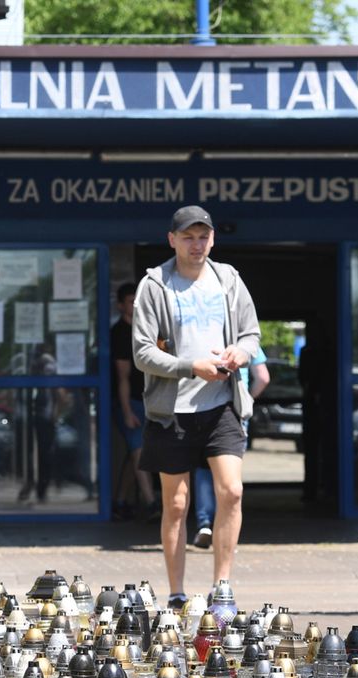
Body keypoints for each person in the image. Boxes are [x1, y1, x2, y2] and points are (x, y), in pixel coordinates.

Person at [133, 205, 261, 610]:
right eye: (188, 237)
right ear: (172, 240)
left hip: (222, 404)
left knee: (233, 492)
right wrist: (191, 367)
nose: (196, 244)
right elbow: (142, 353)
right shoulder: (155, 285)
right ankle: (175, 593)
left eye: (203, 236)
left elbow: (251, 333)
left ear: (213, 239)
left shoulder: (229, 280)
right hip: (172, 410)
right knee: (176, 504)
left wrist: (239, 354)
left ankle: (222, 590)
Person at [191, 347, 269, 549]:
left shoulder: (207, 340)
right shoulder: (248, 344)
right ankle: (225, 530)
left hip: (200, 408)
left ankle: (205, 524)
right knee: (230, 478)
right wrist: (247, 400)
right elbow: (263, 377)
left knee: (203, 468)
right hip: (235, 413)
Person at [109, 282, 159, 521]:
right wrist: (127, 410)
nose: (135, 305)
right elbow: (122, 377)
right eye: (130, 301)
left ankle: (119, 501)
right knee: (139, 451)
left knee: (135, 453)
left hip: (149, 400)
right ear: (120, 306)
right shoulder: (119, 334)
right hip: (130, 403)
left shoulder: (148, 330)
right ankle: (151, 502)